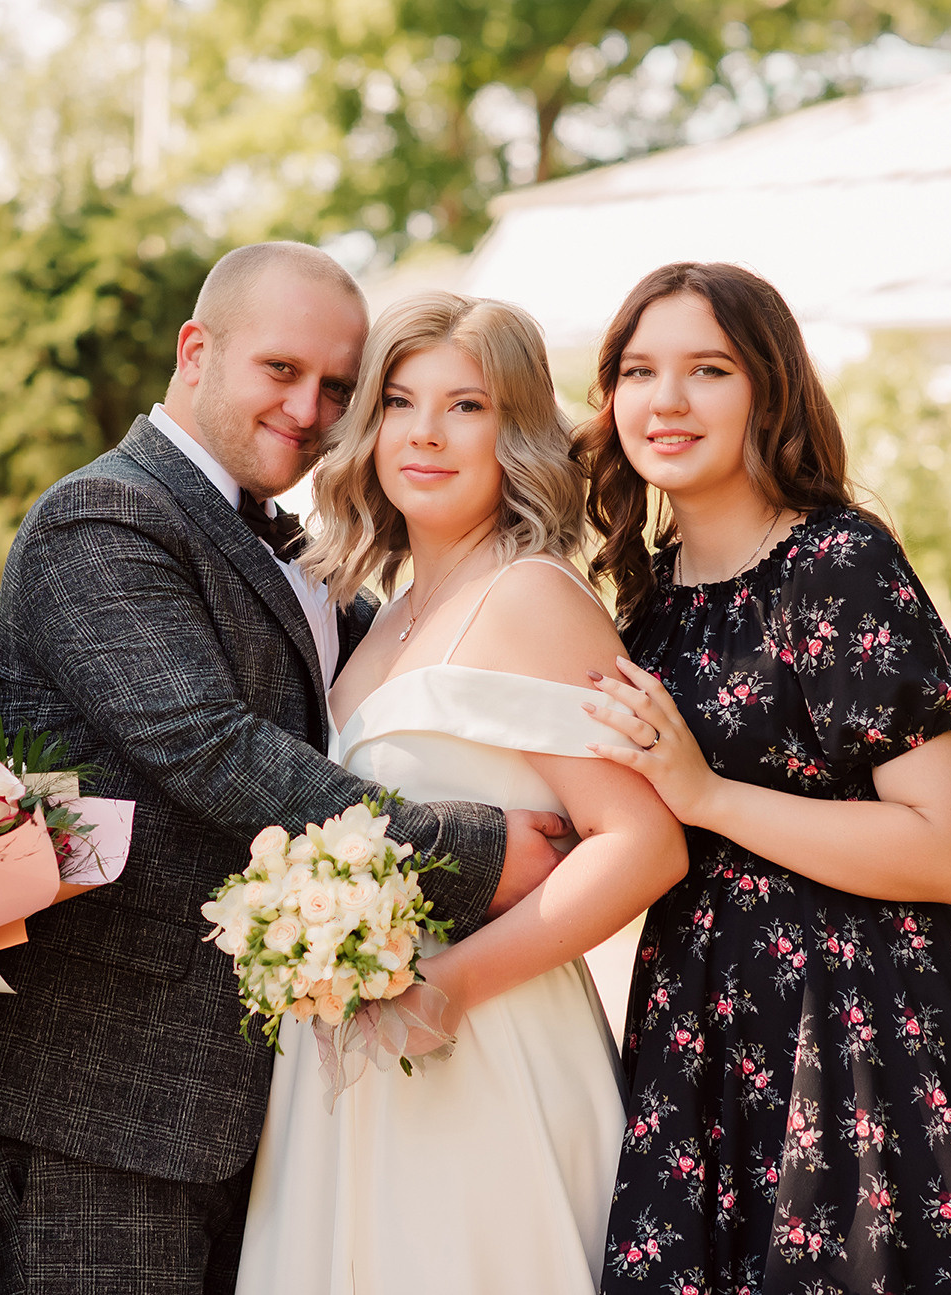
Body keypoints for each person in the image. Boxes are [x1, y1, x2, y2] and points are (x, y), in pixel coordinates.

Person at [0, 245, 573, 1295]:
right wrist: (472, 852)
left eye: (337, 387)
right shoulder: (104, 516)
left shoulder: (310, 559)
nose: (308, 410)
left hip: (249, 1103)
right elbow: (212, 746)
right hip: (90, 1097)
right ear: (195, 351)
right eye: (280, 370)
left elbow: (402, 696)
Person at [577, 262, 951, 1294]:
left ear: (768, 391)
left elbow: (950, 849)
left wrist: (710, 795)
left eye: (707, 369)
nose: (665, 399)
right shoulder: (647, 597)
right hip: (703, 1030)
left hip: (861, 1030)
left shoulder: (837, 561)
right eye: (637, 371)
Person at [235, 291, 688, 1295]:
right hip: (350, 1054)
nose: (426, 433)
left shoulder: (533, 594)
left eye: (466, 405)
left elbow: (642, 843)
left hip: (485, 1043)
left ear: (513, 430)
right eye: (400, 402)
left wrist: (447, 990)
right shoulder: (379, 617)